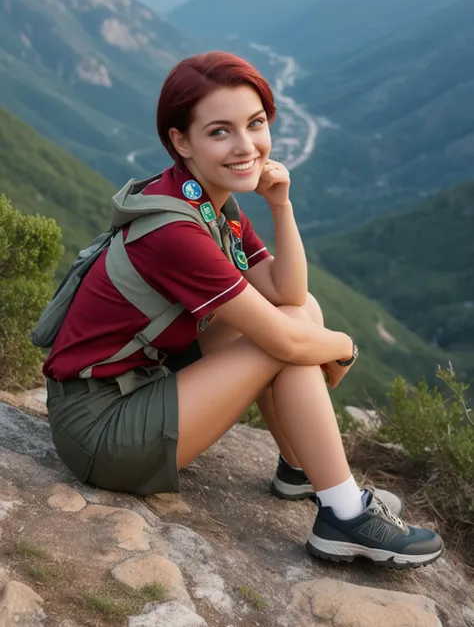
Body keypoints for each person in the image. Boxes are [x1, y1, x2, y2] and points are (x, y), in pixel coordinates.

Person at [44, 51, 443, 569]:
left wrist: (281, 204)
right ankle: (343, 515)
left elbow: (288, 292)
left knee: (300, 314)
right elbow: (284, 339)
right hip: (103, 429)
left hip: (140, 384)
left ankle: (302, 468)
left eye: (255, 124)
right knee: (284, 340)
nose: (245, 145)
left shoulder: (205, 202)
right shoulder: (176, 231)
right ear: (180, 141)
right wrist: (346, 347)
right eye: (220, 132)